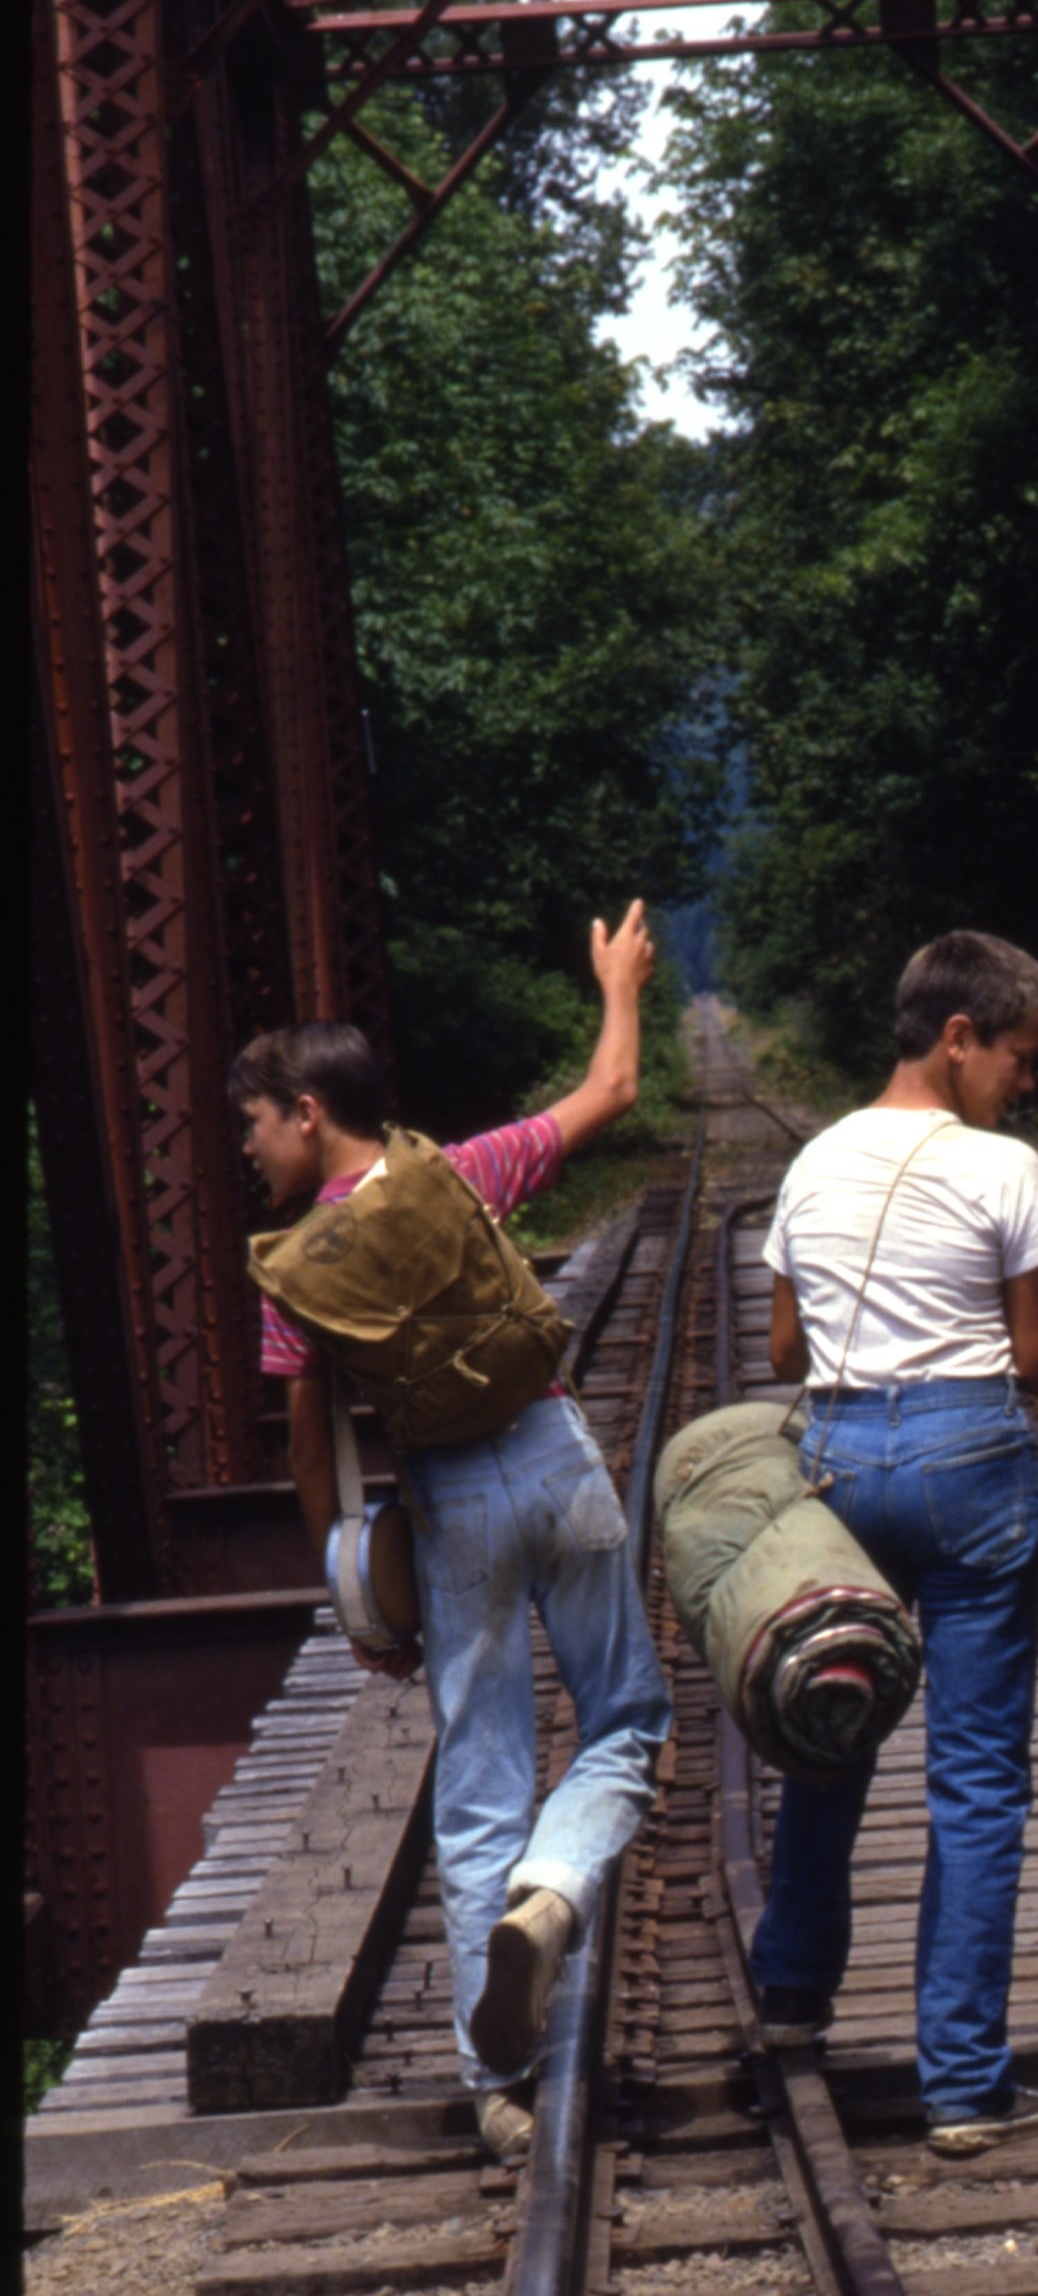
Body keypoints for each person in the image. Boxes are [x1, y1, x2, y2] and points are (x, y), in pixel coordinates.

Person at [233, 905, 674, 2160]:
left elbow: (313, 1445)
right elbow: (615, 1088)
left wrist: (356, 1599)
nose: (249, 1149)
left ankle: (496, 2084)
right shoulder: (461, 1172)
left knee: (480, 1779)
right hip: (554, 1455)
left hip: (450, 1505)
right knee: (627, 1720)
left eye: (256, 1124)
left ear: (308, 1112)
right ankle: (557, 1892)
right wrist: (619, 981)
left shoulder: (295, 1269)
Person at [752, 931, 1038, 2156]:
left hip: (838, 1458)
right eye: (1018, 1057)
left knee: (827, 1730)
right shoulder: (1003, 1167)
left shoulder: (815, 1160)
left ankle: (792, 2000)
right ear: (957, 1039)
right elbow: (1035, 1347)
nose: (1026, 1083)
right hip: (967, 1456)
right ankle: (961, 2083)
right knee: (977, 1777)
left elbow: (786, 1354)